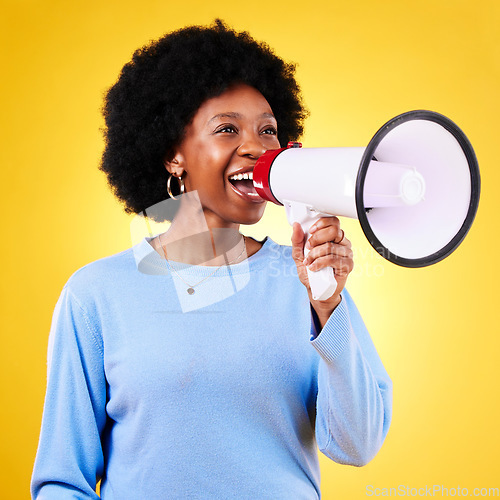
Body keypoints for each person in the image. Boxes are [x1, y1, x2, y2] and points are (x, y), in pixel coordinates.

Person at [31, 20, 392, 499]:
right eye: (227, 129)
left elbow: (357, 445)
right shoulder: (94, 295)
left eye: (269, 131)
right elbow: (61, 480)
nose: (257, 148)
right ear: (171, 155)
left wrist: (328, 306)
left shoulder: (307, 282)